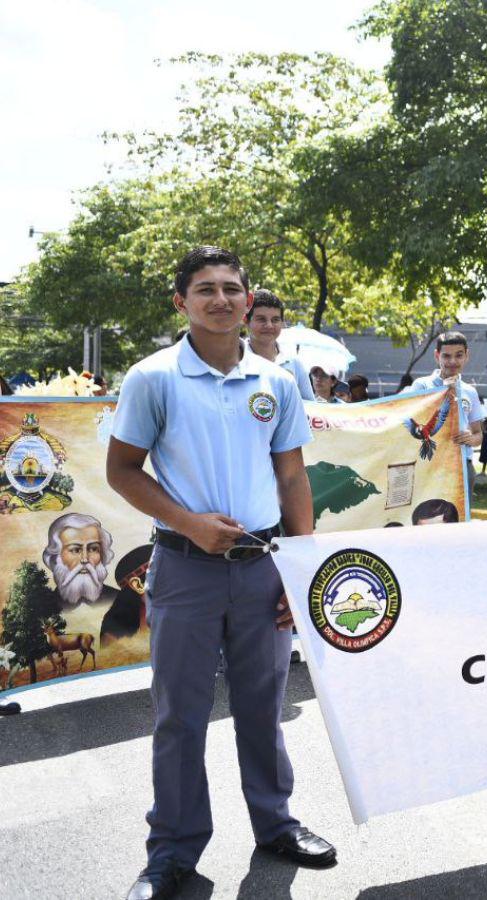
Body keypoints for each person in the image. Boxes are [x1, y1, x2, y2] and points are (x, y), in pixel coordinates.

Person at [106, 246, 335, 900]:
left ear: (247, 299)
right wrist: (188, 523)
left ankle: (277, 824)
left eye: (232, 288)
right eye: (204, 289)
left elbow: (292, 477)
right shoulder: (153, 378)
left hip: (263, 568)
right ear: (181, 302)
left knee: (263, 706)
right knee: (180, 715)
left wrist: (300, 568)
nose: (221, 299)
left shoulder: (276, 382)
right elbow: (122, 471)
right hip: (186, 570)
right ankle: (172, 853)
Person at [402, 331, 484, 493]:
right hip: (430, 464)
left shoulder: (470, 391)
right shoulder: (422, 386)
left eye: (459, 355)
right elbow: (406, 422)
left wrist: (471, 438)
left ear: (466, 356)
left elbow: (478, 435)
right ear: (437, 356)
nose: (453, 361)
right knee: (427, 509)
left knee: (458, 510)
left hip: (462, 465)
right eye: (446, 356)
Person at [245, 289, 316, 401]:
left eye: (275, 320)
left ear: (282, 323)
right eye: (261, 319)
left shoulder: (294, 363)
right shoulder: (235, 361)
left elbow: (309, 405)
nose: (269, 325)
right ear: (246, 321)